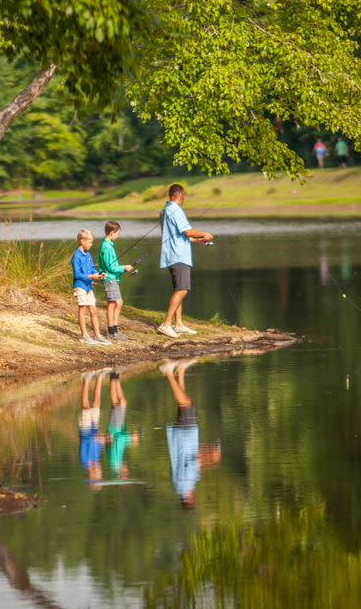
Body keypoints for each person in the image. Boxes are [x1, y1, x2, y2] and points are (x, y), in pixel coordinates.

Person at [161, 358, 221, 509]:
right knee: (184, 404)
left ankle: (168, 372)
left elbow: (196, 460)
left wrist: (211, 455)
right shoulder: (177, 483)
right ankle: (181, 371)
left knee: (186, 404)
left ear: (190, 498)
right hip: (182, 438)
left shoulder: (187, 482)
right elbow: (191, 460)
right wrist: (208, 456)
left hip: (186, 435)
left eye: (194, 498)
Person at [158, 184, 213, 338]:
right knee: (182, 289)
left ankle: (179, 324)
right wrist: (205, 234)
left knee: (179, 289)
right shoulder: (175, 210)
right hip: (178, 255)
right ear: (180, 195)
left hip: (172, 253)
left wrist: (197, 240)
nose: (184, 199)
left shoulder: (165, 210)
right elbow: (188, 230)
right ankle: (166, 324)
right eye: (183, 197)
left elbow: (180, 234)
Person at [71, 229, 109, 345]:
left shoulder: (88, 255)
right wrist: (91, 276)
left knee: (93, 311)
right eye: (90, 242)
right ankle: (84, 336)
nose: (91, 245)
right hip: (80, 286)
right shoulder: (76, 256)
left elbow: (92, 268)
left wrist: (99, 274)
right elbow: (77, 274)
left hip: (88, 286)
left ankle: (97, 335)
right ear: (82, 241)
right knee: (82, 310)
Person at [98, 221, 134, 340]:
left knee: (118, 303)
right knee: (113, 303)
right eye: (117, 234)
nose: (118, 236)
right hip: (110, 279)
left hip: (112, 278)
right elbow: (111, 267)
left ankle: (114, 330)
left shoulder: (108, 245)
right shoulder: (107, 247)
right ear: (112, 233)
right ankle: (111, 332)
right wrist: (124, 268)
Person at [106, 368, 141, 480]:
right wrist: (129, 442)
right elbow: (118, 444)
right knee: (117, 403)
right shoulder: (115, 463)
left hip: (115, 428)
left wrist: (130, 438)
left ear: (121, 473)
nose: (127, 468)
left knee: (121, 403)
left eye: (126, 471)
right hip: (117, 428)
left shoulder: (115, 462)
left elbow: (117, 440)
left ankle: (114, 376)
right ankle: (114, 376)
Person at [79, 369, 109, 488]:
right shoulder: (96, 459)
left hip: (85, 429)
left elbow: (84, 442)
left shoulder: (85, 460)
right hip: (94, 428)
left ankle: (86, 378)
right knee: (97, 405)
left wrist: (97, 439)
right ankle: (100, 377)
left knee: (86, 406)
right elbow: (98, 443)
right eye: (100, 472)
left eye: (98, 473)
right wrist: (104, 440)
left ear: (91, 474)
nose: (99, 470)